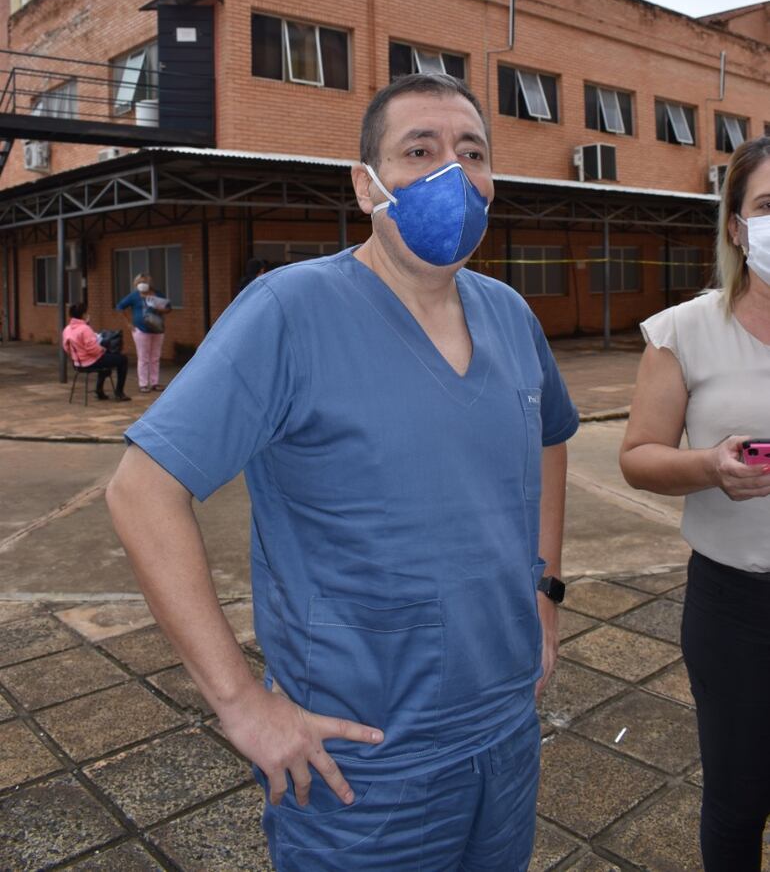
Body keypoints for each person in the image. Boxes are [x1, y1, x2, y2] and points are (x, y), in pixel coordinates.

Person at [105, 73, 579, 871]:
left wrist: (547, 590)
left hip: (506, 727)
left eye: (471, 153)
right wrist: (241, 704)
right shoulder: (289, 312)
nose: (450, 174)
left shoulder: (510, 313)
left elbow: (552, 436)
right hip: (364, 761)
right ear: (366, 185)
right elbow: (141, 489)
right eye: (418, 151)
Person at [620, 135, 770, 872]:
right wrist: (711, 466)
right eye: (769, 205)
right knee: (738, 801)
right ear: (738, 226)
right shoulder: (683, 331)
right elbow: (638, 456)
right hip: (736, 607)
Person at [62, 303, 130, 401]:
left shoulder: (67, 329)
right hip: (90, 361)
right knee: (122, 359)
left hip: (77, 362)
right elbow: (92, 349)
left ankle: (99, 391)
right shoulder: (85, 329)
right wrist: (103, 349)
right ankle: (119, 392)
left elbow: (66, 348)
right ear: (83, 315)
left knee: (107, 360)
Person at [116, 273, 172, 393]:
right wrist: (128, 323)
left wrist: (160, 309)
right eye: (140, 282)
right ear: (136, 284)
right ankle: (143, 384)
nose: (142, 284)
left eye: (145, 282)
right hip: (141, 330)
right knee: (143, 357)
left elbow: (168, 308)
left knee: (155, 357)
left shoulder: (157, 294)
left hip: (157, 328)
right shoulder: (134, 296)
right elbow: (120, 307)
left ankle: (154, 382)